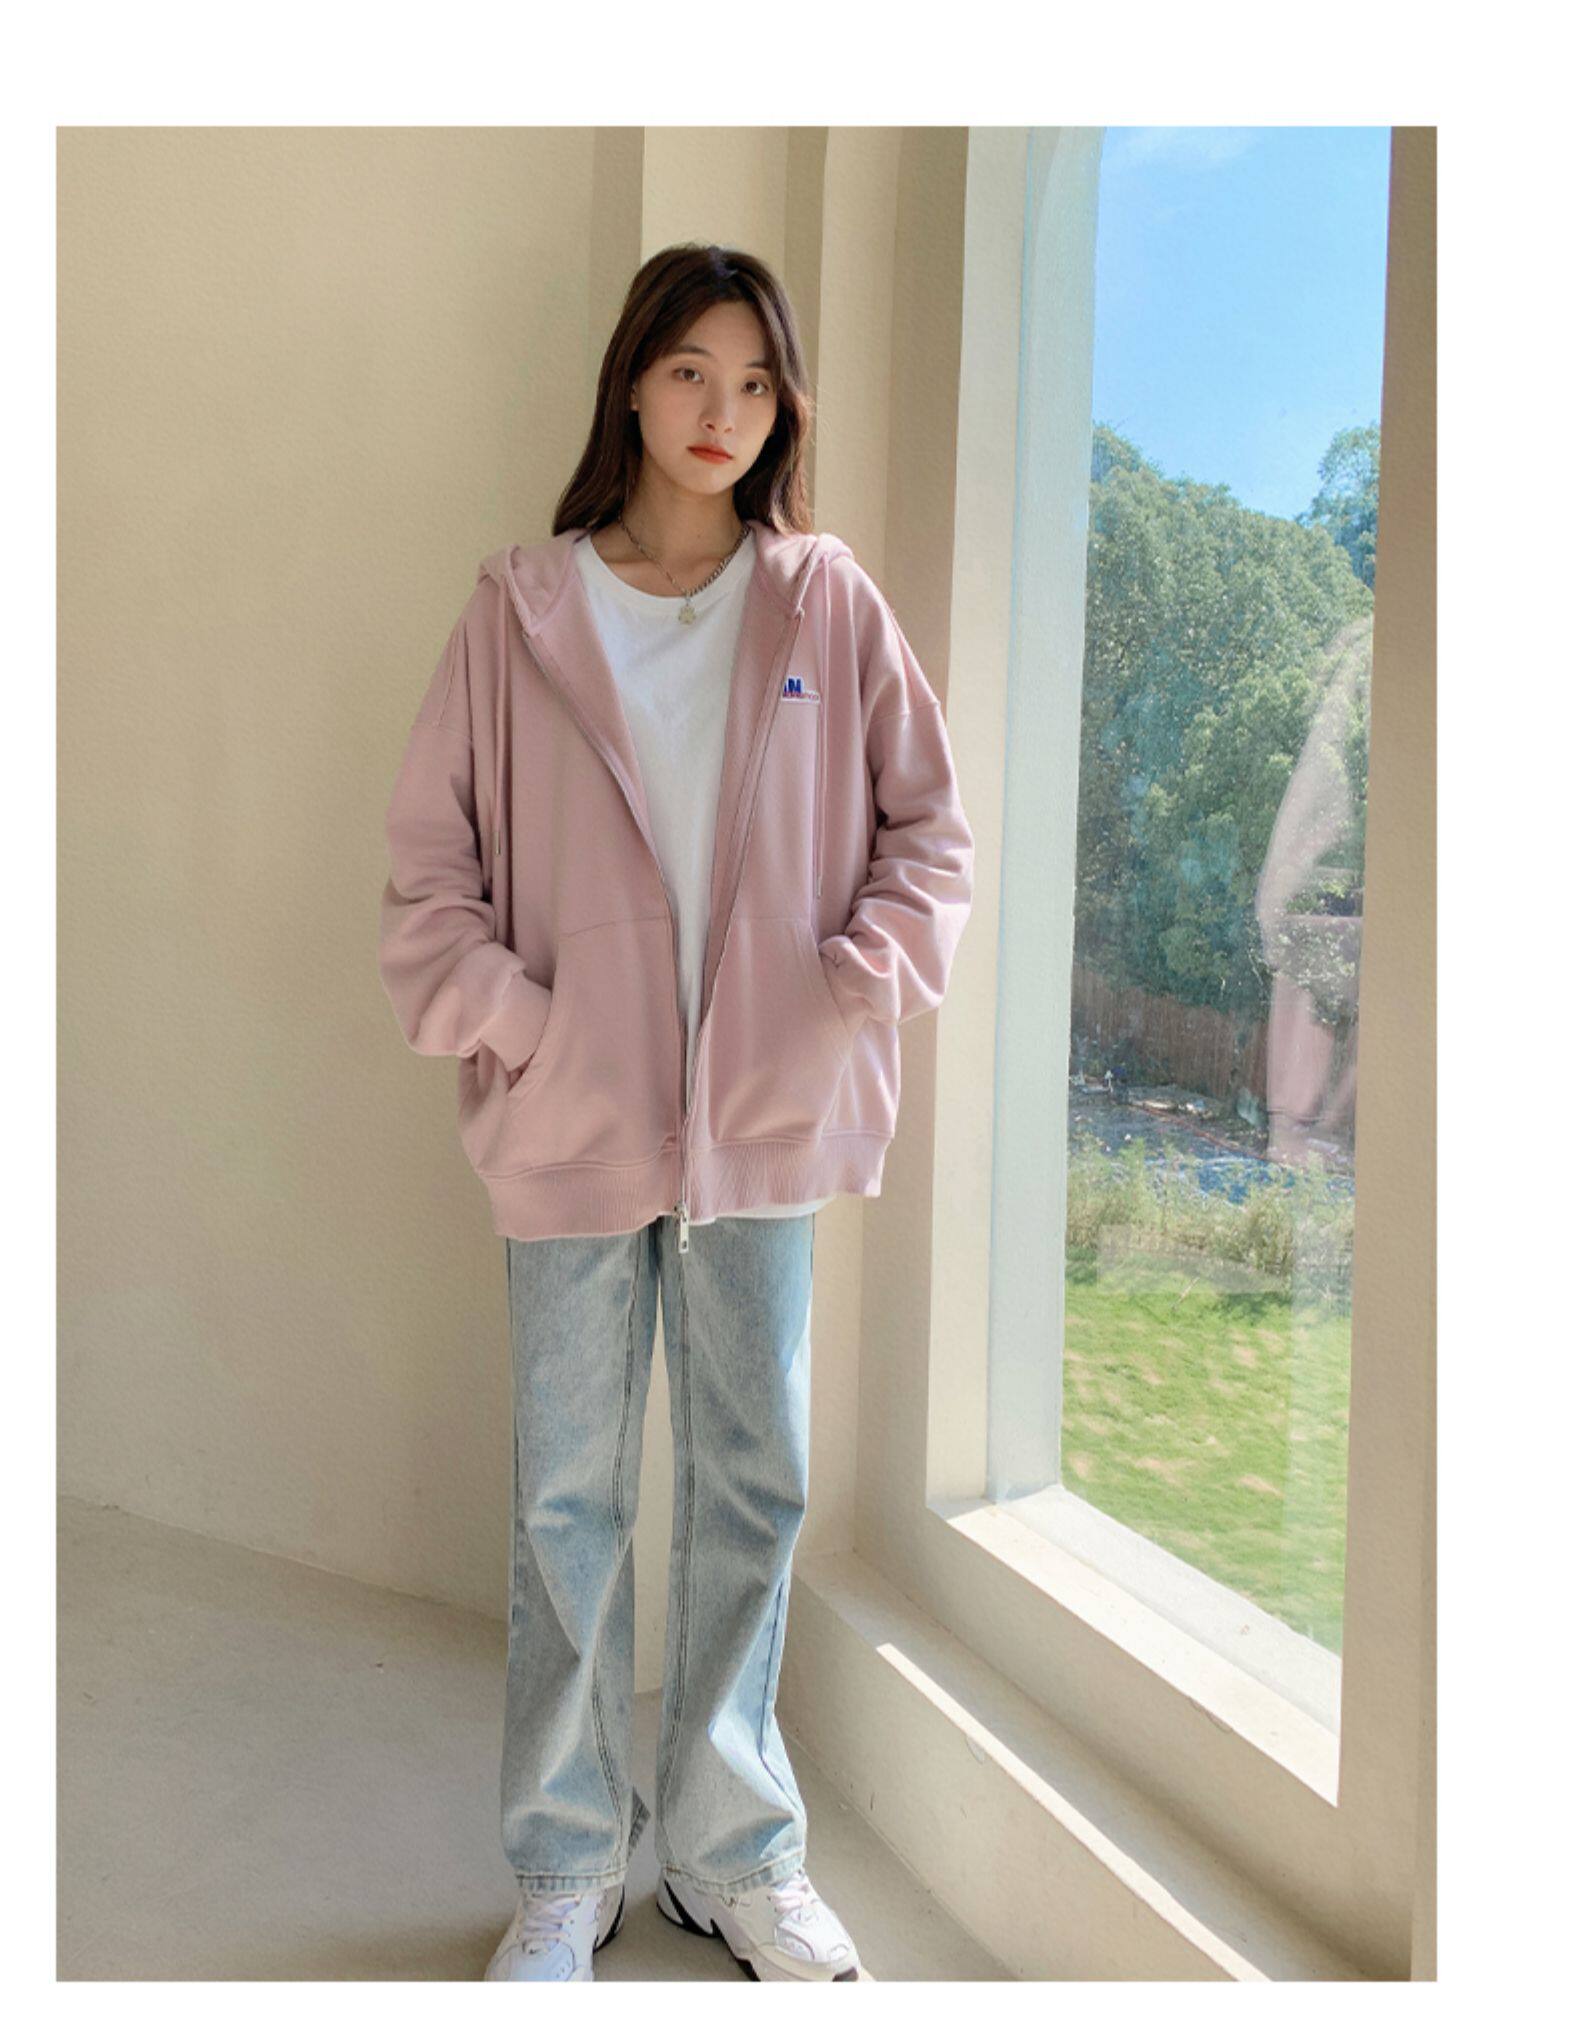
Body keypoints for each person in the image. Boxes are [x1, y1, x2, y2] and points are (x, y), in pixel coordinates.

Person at [377, 242, 974, 1982]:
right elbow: (428, 869)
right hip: (572, 1118)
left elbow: (930, 836)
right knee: (565, 1503)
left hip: (763, 1121)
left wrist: (848, 984)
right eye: (691, 371)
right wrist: (523, 1024)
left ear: (784, 409)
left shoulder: (824, 602)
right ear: (631, 382)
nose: (723, 411)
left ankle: (732, 1855)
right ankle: (566, 1867)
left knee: (751, 1487)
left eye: (756, 381)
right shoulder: (522, 610)